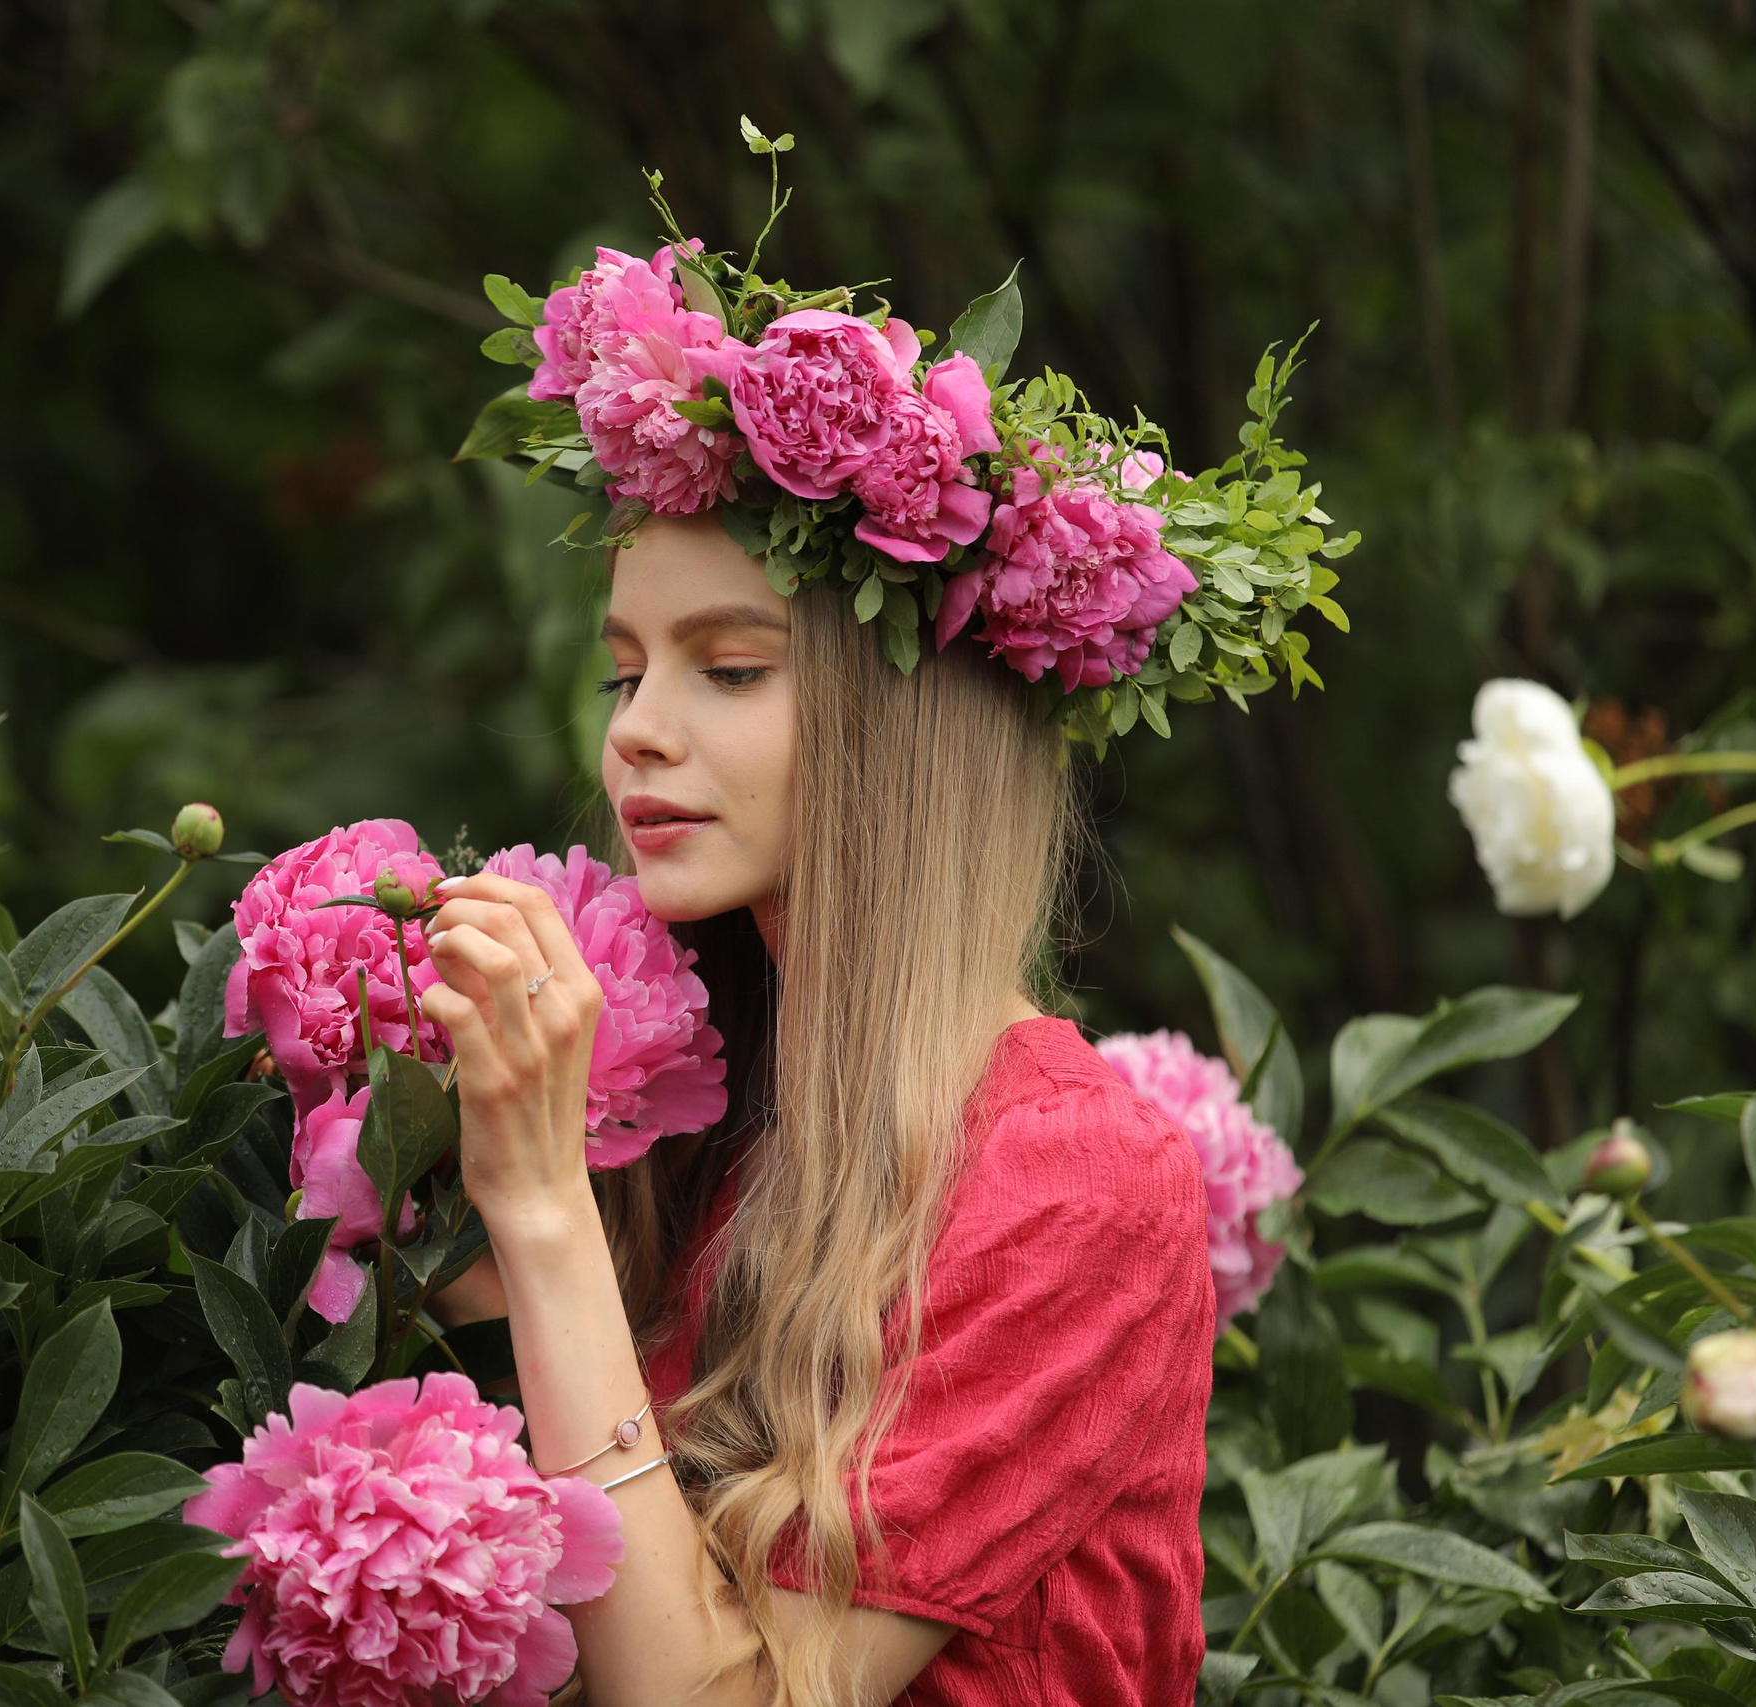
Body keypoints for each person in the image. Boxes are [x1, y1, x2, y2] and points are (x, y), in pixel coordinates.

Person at [418, 506, 1217, 1705]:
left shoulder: (1077, 1173)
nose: (633, 730)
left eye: (731, 669)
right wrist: (400, 1169)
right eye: (624, 674)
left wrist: (538, 1207)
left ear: (905, 725)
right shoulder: (701, 1102)